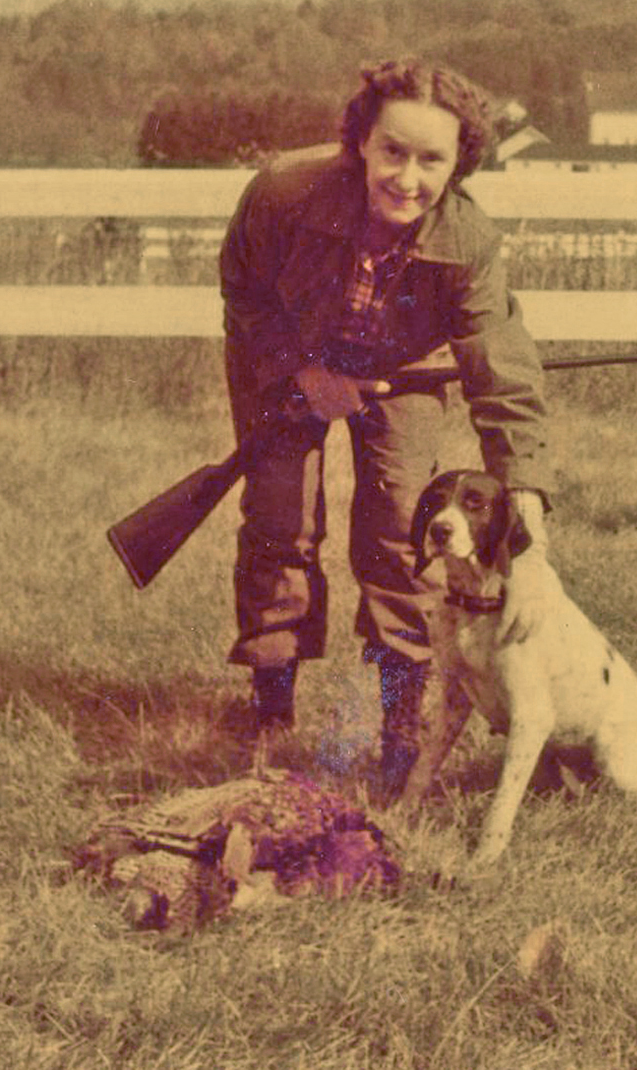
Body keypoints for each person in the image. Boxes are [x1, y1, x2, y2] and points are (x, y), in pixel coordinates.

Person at [219, 58, 551, 793]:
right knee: (280, 518)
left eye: (431, 159)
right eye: (392, 151)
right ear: (360, 142)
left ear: (459, 163)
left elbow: (502, 362)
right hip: (281, 356)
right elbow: (242, 290)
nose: (407, 177)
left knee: (403, 521)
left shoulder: (469, 240)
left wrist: (524, 482)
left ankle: (401, 730)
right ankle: (271, 715)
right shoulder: (283, 192)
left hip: (405, 368)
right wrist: (306, 372)